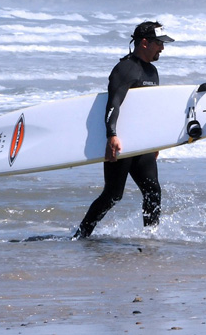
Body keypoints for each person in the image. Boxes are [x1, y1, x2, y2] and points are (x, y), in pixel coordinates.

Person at [74, 21, 174, 239]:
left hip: (142, 143)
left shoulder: (152, 72)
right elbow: (114, 103)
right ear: (145, 42)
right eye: (159, 43)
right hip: (120, 142)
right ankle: (81, 235)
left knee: (153, 192)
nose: (162, 48)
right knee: (113, 194)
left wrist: (156, 142)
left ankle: (150, 237)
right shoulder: (125, 68)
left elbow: (148, 110)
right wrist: (112, 135)